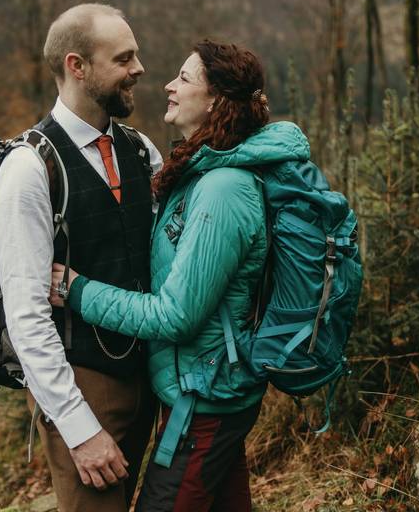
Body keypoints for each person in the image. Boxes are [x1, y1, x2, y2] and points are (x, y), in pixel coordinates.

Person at [50, 40, 312, 511]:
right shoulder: (202, 169)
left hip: (205, 400)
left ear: (215, 101)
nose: (169, 85)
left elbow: (176, 316)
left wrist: (77, 289)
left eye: (185, 79)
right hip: (204, 390)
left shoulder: (223, 189)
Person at [0, 3, 163, 512]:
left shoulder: (140, 150)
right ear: (77, 66)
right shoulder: (28, 169)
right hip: (83, 387)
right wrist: (78, 427)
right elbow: (25, 317)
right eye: (123, 58)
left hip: (146, 377)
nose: (140, 69)